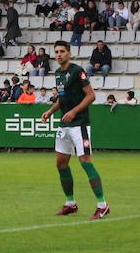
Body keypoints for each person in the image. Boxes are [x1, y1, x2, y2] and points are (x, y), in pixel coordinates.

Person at [39, 40, 109, 218]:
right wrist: (50, 111)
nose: (59, 54)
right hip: (65, 124)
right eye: (56, 51)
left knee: (85, 161)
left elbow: (91, 96)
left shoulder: (78, 71)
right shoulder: (57, 74)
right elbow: (61, 99)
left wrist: (74, 111)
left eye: (62, 51)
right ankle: (70, 204)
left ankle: (103, 205)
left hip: (79, 123)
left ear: (69, 53)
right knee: (61, 163)